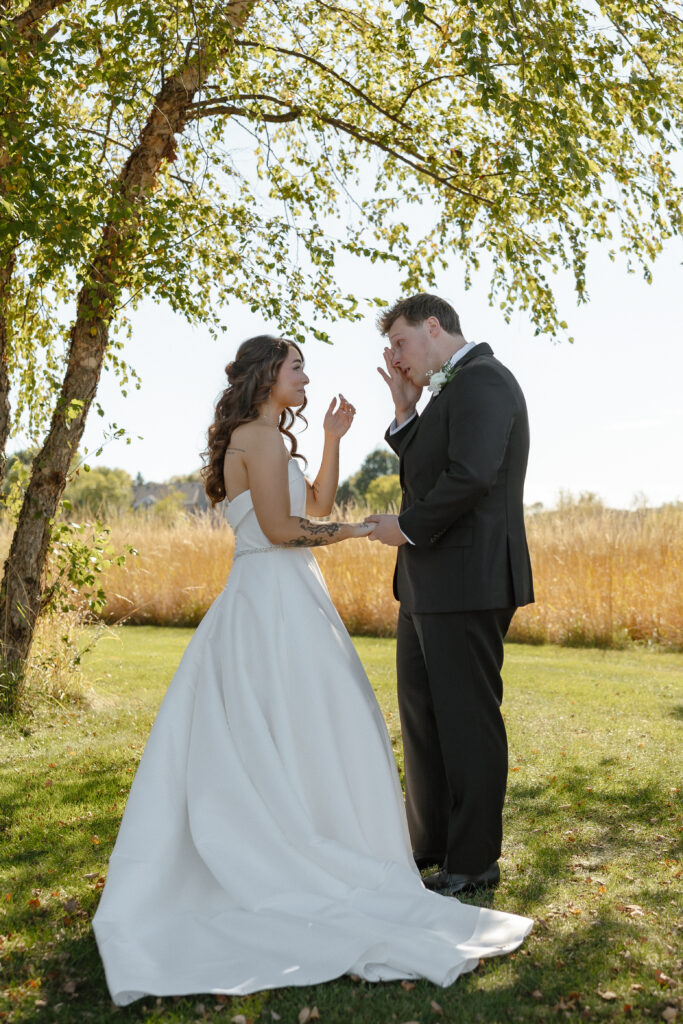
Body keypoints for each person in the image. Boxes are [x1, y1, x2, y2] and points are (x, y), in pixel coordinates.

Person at [92, 334, 532, 1006]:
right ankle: (298, 844)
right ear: (268, 374)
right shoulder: (257, 439)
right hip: (271, 597)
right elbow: (277, 530)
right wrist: (359, 533)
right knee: (304, 718)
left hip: (290, 594)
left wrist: (330, 438)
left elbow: (315, 505)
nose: (306, 377)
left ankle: (313, 830)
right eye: (297, 368)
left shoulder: (271, 437)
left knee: (309, 721)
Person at [366, 294, 534, 896]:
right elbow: (431, 469)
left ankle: (473, 861)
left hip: (469, 581)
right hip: (426, 584)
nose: (395, 357)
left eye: (401, 343)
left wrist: (405, 528)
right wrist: (406, 412)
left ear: (433, 327)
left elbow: (472, 475)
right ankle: (430, 845)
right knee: (423, 719)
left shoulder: (485, 380)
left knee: (466, 721)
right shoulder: (444, 394)